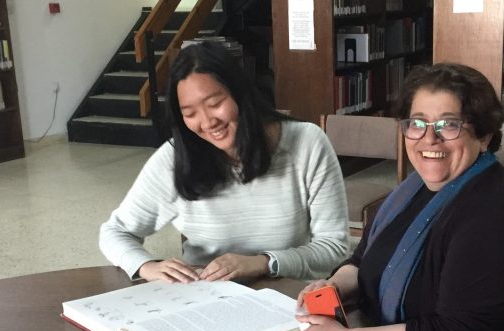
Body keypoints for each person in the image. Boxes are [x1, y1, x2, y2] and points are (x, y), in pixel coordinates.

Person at [284, 63, 504, 331]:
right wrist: (336, 286)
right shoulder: (413, 190)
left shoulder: (495, 217)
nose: (428, 138)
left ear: (484, 135)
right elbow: (363, 260)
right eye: (416, 123)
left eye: (449, 124)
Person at [99, 42, 349, 283]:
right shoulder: (175, 158)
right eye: (190, 114)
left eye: (215, 104)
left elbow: (333, 247)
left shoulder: (306, 142)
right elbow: (114, 232)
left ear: (240, 94)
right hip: (205, 297)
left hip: (288, 296)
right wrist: (146, 267)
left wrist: (264, 262)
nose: (207, 123)